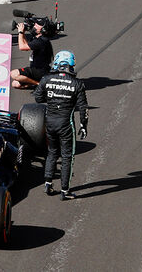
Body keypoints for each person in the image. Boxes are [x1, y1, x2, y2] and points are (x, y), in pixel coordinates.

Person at [34, 51, 88, 201]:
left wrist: (53, 98)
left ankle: (48, 183)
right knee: (67, 156)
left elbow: (38, 98)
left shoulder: (46, 79)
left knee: (52, 152)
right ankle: (65, 190)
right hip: (66, 124)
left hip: (50, 122)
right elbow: (83, 108)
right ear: (71, 65)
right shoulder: (77, 83)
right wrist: (84, 125)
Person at [10, 17, 54, 89]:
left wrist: (20, 32)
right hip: (36, 69)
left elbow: (22, 47)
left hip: (40, 70)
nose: (35, 25)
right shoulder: (39, 38)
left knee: (14, 74)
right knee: (15, 84)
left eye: (38, 25)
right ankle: (38, 83)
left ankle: (39, 84)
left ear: (43, 29)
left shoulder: (41, 41)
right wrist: (23, 33)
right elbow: (26, 45)